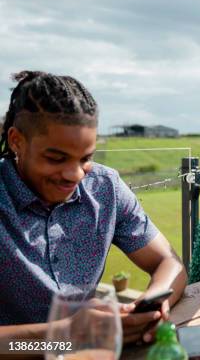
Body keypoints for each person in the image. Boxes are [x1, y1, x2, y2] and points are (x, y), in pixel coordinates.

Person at [0, 71, 187, 342]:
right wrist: (63, 335)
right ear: (17, 140)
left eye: (85, 158)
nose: (75, 174)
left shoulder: (105, 188)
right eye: (56, 158)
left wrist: (151, 306)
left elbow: (168, 262)